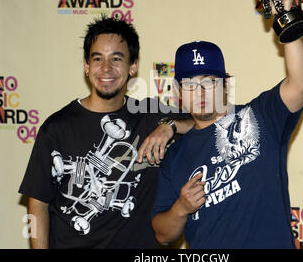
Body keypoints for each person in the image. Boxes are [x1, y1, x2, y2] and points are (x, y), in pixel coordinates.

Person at [151, 0, 303, 248]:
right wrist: (181, 207)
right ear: (178, 93)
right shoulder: (176, 156)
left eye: (208, 82)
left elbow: (302, 82)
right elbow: (162, 233)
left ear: (226, 85)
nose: (200, 92)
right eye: (190, 85)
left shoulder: (261, 116)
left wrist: (286, 16)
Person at [18, 16, 193, 249]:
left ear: (133, 66)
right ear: (86, 66)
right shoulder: (57, 128)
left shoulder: (151, 116)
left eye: (116, 58)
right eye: (97, 58)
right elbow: (37, 204)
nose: (106, 68)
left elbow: (210, 123)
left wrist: (169, 126)